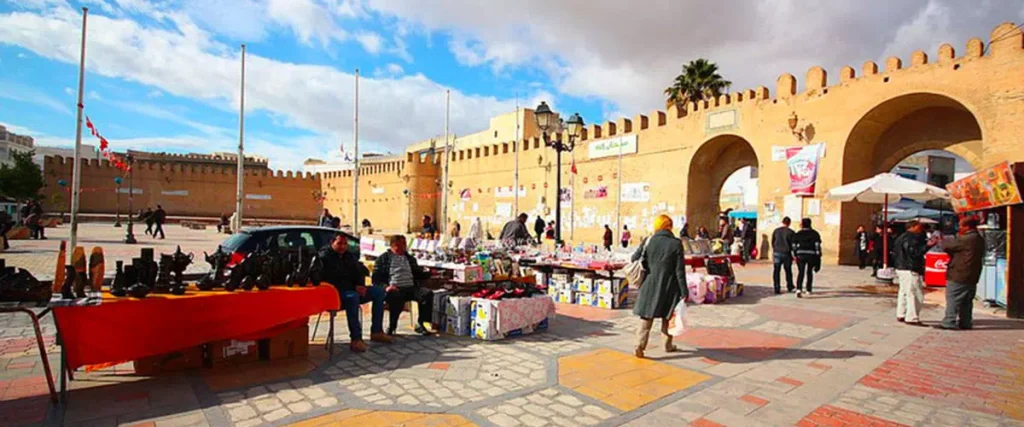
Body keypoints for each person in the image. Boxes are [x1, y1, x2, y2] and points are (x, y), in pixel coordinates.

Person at [317, 233, 389, 352]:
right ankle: (356, 339)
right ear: (332, 243)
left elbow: (359, 271)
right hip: (335, 294)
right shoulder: (324, 258)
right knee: (353, 297)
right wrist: (354, 287)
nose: (343, 247)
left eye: (345, 244)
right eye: (339, 243)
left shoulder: (349, 256)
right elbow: (331, 279)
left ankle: (376, 331)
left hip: (352, 289)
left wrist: (360, 285)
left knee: (378, 292)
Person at [631, 214, 688, 358]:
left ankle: (639, 345)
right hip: (669, 285)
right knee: (667, 316)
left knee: (646, 317)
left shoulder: (648, 240)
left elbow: (634, 258)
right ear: (669, 227)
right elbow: (679, 270)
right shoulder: (676, 243)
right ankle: (667, 345)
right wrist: (684, 291)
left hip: (649, 283)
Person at [373, 235, 434, 335]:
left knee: (426, 294)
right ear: (394, 245)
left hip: (411, 287)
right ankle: (392, 326)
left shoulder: (409, 259)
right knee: (396, 298)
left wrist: (429, 273)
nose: (404, 247)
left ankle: (421, 323)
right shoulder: (383, 259)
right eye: (401, 244)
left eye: (404, 244)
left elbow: (418, 274)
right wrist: (386, 287)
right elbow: (376, 279)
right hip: (395, 289)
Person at [941, 216, 985, 330]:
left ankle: (949, 321)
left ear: (967, 227)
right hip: (973, 273)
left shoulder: (966, 239)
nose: (959, 228)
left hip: (959, 273)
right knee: (966, 301)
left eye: (961, 226)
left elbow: (946, 246)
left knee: (953, 298)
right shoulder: (979, 238)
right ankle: (965, 322)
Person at [892, 220, 931, 324]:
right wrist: (928, 246)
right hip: (910, 268)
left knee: (904, 292)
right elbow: (914, 253)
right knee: (914, 293)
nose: (921, 229)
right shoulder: (912, 238)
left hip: (900, 267)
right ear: (913, 227)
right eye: (919, 227)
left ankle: (901, 313)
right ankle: (912, 317)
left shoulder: (901, 237)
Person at [791, 218, 822, 298]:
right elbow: (817, 245)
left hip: (800, 254)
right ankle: (808, 289)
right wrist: (818, 255)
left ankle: (799, 289)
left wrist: (795, 254)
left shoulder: (798, 233)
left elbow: (794, 245)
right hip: (811, 255)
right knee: (809, 272)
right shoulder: (815, 233)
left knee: (801, 271)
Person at [771, 217, 796, 294]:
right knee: (788, 270)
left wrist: (775, 248)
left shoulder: (776, 231)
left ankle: (777, 287)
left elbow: (773, 241)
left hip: (777, 252)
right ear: (789, 223)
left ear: (782, 222)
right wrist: (794, 254)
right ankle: (790, 285)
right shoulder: (791, 232)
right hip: (786, 253)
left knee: (776, 270)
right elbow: (793, 244)